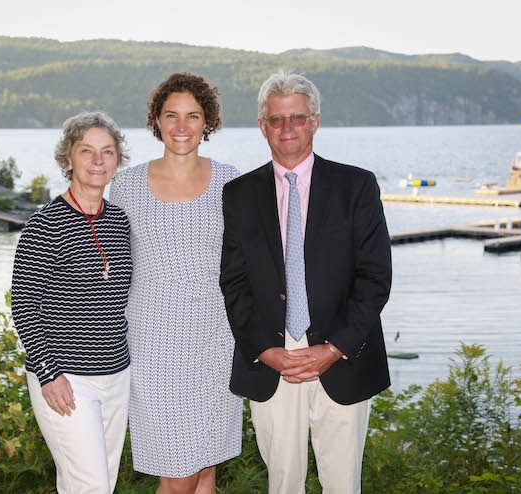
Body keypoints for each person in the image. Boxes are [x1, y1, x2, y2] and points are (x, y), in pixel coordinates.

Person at [219, 69, 392, 493]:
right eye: (276, 120)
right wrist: (264, 349)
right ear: (263, 126)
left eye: (297, 117)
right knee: (282, 483)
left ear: (314, 120)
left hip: (343, 355)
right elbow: (234, 282)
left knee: (342, 485)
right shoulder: (239, 194)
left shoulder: (357, 186)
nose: (287, 128)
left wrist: (334, 348)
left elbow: (376, 277)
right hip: (273, 359)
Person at [109, 72, 242, 494]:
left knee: (205, 473)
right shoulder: (127, 184)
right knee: (178, 475)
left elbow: (244, 264)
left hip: (216, 344)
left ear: (208, 122)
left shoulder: (229, 181)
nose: (182, 126)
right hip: (154, 347)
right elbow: (109, 263)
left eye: (193, 115)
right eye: (172, 115)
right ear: (157, 121)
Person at [11, 111, 132, 493]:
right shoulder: (44, 224)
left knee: (98, 485)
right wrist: (48, 373)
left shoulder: (119, 221)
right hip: (66, 378)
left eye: (107, 152)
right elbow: (25, 306)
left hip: (116, 375)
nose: (98, 160)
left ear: (117, 159)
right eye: (87, 151)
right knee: (91, 485)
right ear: (69, 158)